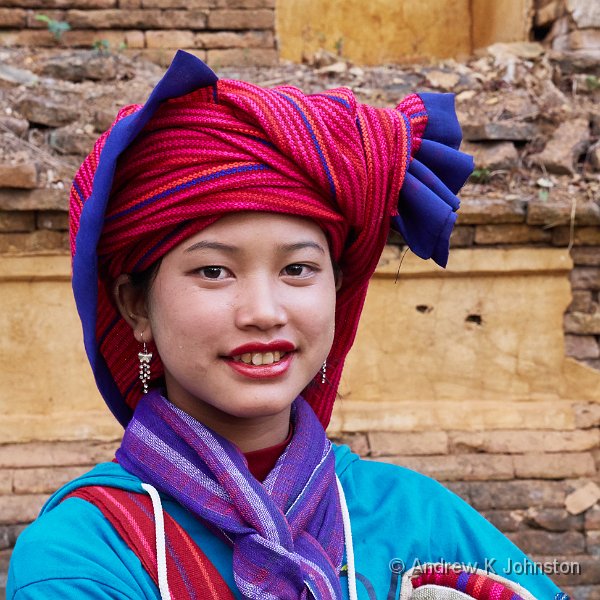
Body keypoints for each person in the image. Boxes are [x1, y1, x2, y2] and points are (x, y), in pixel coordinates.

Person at [7, 51, 565, 600]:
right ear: (135, 307)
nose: (265, 311)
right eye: (214, 271)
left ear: (337, 291)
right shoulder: (84, 557)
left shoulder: (419, 522)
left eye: (298, 269)